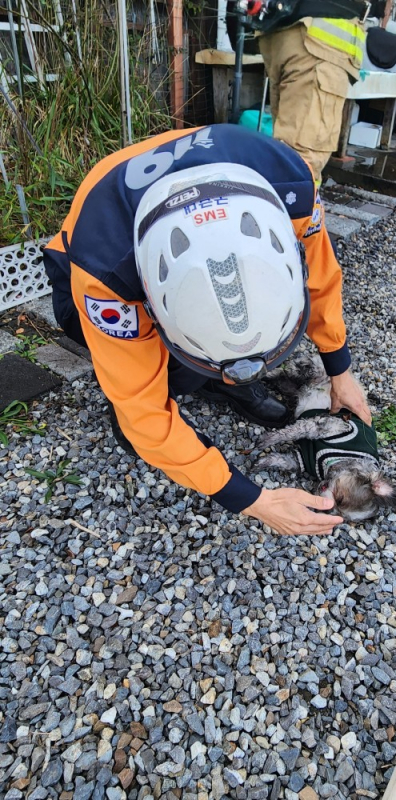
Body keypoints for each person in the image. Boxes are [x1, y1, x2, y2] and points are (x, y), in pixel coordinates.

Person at [43, 123, 371, 537]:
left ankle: (213, 378)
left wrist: (340, 370)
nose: (245, 371)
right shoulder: (106, 273)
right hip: (81, 271)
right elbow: (145, 417)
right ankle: (181, 377)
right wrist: (251, 499)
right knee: (144, 389)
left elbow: (320, 277)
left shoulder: (291, 183)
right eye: (224, 365)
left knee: (211, 354)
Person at [255, 1, 371, 183]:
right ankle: (295, 201)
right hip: (320, 38)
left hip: (284, 29)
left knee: (285, 153)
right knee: (302, 162)